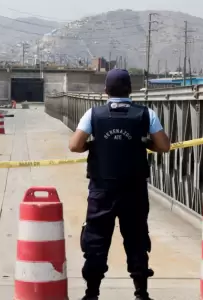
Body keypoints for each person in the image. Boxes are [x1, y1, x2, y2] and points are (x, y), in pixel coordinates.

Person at [68, 69, 170, 300]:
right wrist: (145, 145)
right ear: (130, 91)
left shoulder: (93, 114)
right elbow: (164, 146)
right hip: (134, 190)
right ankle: (141, 293)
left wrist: (93, 146)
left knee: (95, 240)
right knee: (136, 239)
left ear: (106, 91)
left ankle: (91, 294)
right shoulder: (146, 114)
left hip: (102, 189)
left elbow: (74, 145)